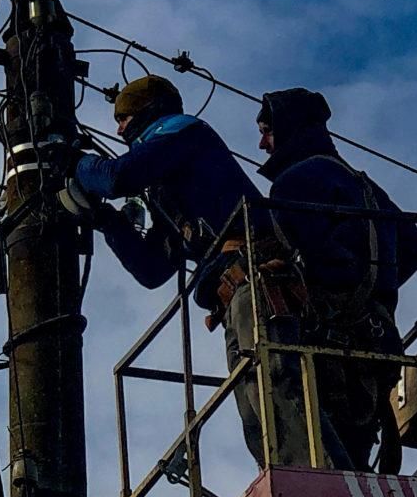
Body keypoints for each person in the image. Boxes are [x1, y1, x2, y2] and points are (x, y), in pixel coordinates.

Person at [69, 75, 333, 468]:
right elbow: (154, 268)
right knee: (254, 398)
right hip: (233, 292)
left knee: (278, 385)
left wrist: (73, 162)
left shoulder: (186, 132)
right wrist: (106, 220)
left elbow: (117, 177)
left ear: (149, 113)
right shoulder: (170, 186)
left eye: (123, 118)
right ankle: (288, 477)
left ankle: (321, 481)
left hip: (258, 276)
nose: (119, 129)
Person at [254, 88, 417, 472]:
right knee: (355, 468)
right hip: (377, 343)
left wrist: (337, 295)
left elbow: (314, 259)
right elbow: (415, 248)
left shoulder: (293, 183)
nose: (262, 143)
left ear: (288, 129)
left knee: (322, 468)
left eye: (267, 130)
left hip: (330, 347)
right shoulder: (363, 185)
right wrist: (374, 291)